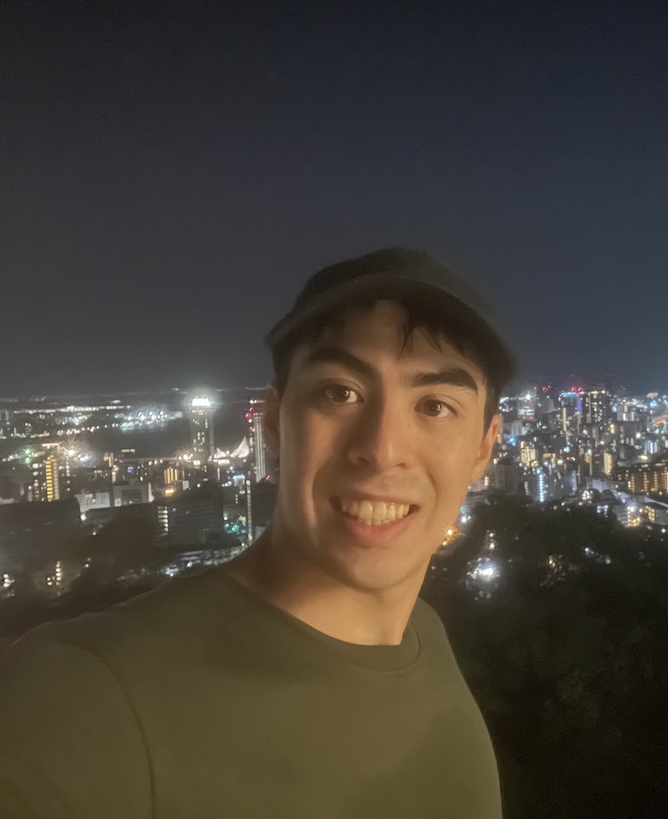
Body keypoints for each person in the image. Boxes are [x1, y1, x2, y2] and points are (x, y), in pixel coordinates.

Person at [0, 247, 516, 818]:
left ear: (484, 447)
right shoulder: (86, 696)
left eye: (436, 406)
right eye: (339, 392)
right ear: (275, 422)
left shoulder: (426, 639)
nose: (382, 450)